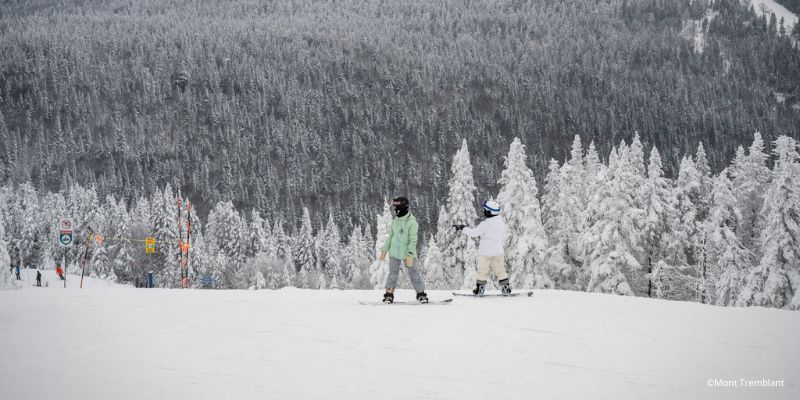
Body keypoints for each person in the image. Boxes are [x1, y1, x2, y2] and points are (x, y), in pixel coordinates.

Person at [454, 200, 511, 296]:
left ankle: (480, 289)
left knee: (482, 271)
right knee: (500, 270)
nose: (484, 211)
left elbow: (474, 233)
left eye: (485, 210)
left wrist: (462, 228)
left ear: (489, 212)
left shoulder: (485, 224)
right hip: (498, 252)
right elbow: (504, 236)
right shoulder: (501, 223)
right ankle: (505, 287)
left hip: (485, 253)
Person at [378, 196, 427, 304]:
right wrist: (384, 250)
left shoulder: (412, 222)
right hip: (394, 253)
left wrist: (409, 253)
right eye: (394, 208)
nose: (395, 210)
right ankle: (389, 294)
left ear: (403, 207)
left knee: (414, 273)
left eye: (396, 207)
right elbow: (391, 237)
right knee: (393, 273)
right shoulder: (395, 221)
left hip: (408, 253)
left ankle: (421, 294)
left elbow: (413, 239)